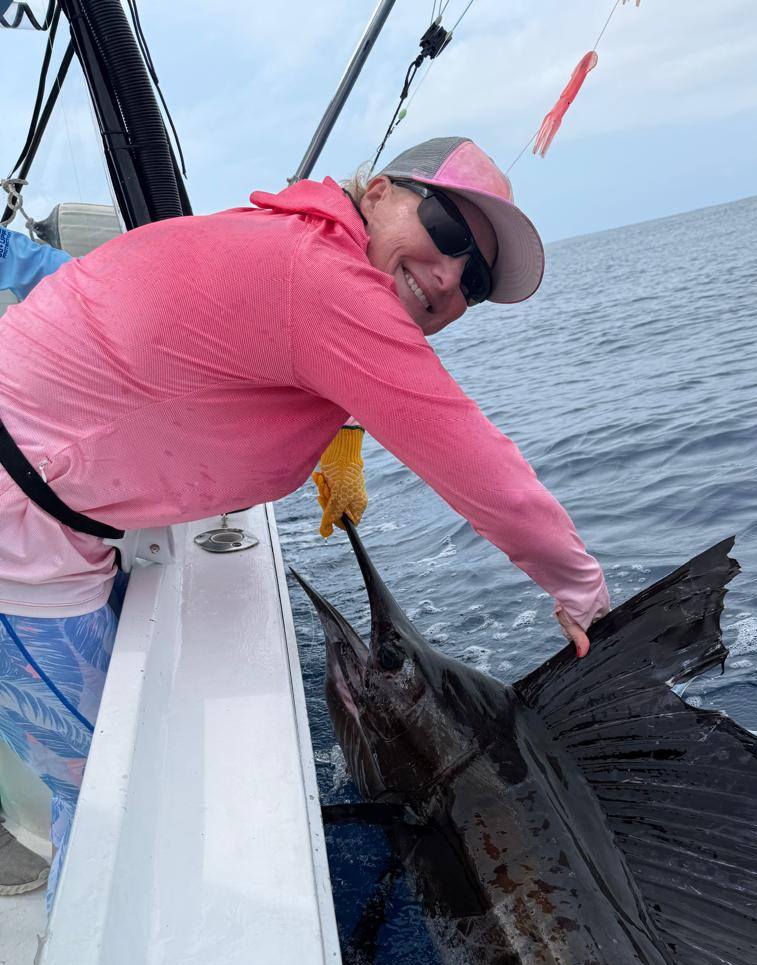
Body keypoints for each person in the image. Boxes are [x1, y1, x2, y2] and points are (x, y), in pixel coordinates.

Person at [0, 136, 610, 900]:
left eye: (477, 279)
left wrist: (337, 434)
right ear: (381, 190)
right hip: (19, 532)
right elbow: (478, 465)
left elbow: (237, 336)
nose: (452, 274)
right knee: (115, 815)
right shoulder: (325, 281)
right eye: (450, 231)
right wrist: (582, 590)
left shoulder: (293, 240)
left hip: (52, 511)